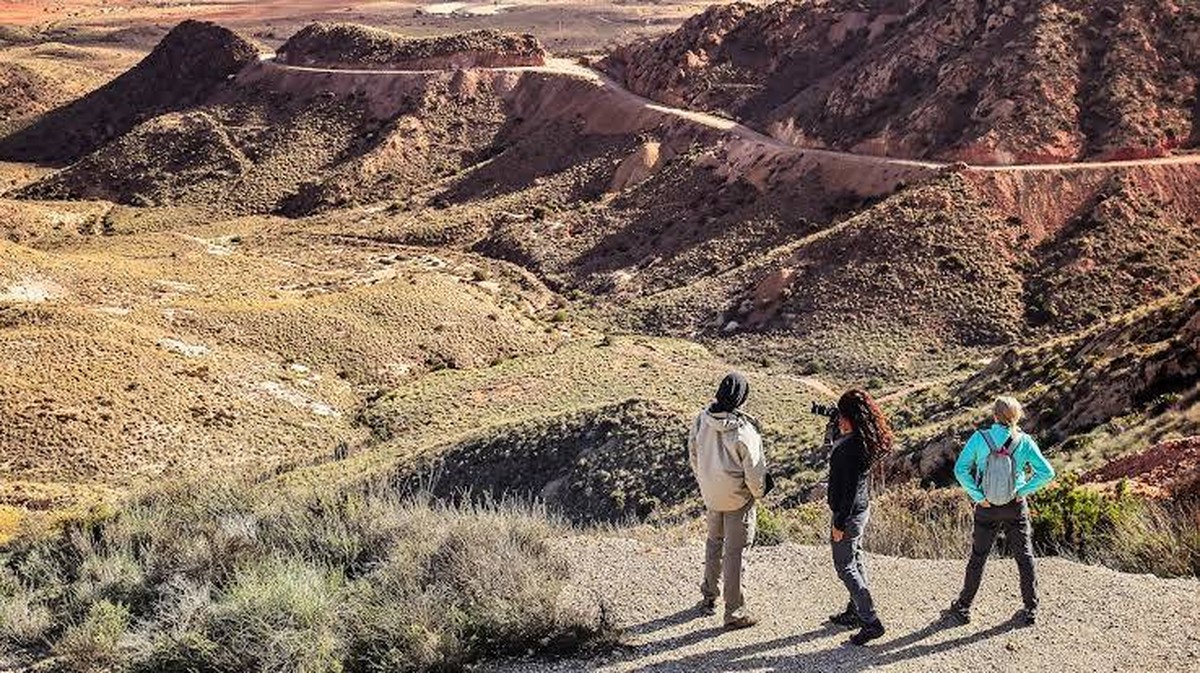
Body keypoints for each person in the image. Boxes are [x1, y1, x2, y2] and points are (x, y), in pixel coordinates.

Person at [949, 396, 1055, 626]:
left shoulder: (980, 438)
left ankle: (964, 606)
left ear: (995, 415)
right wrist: (1022, 491)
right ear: (1016, 416)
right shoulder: (1024, 441)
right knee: (1024, 556)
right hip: (1014, 506)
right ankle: (1030, 609)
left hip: (986, 507)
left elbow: (960, 470)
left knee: (978, 557)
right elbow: (1047, 473)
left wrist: (979, 497)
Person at [688, 371, 767, 630]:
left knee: (714, 543)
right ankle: (734, 611)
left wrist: (706, 482)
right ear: (741, 398)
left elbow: (694, 455)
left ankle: (709, 596)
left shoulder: (701, 419)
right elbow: (755, 473)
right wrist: (758, 493)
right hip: (737, 499)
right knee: (735, 553)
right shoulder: (744, 430)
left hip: (712, 495)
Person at [825, 389, 893, 646]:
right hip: (861, 510)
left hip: (849, 514)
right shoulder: (863, 440)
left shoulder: (849, 449)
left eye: (843, 416)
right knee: (855, 557)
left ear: (852, 418)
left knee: (845, 566)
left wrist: (839, 522)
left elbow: (849, 490)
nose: (839, 420)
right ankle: (856, 610)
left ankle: (871, 621)